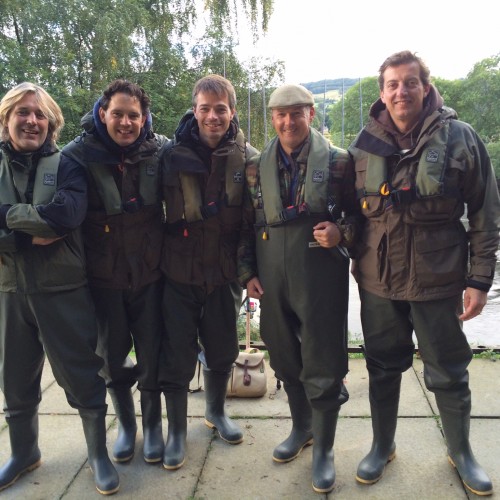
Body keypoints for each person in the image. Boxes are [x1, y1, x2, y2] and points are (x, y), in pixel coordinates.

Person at [348, 50, 500, 496]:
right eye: (392, 84)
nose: (401, 91)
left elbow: (485, 214)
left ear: (425, 87)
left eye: (409, 82)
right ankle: (382, 445)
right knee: (380, 367)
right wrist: (337, 232)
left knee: (449, 371)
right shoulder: (363, 145)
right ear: (382, 92)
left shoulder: (461, 138)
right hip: (378, 283)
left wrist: (479, 280)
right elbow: (349, 214)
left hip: (438, 280)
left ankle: (461, 452)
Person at [238, 84, 362, 493]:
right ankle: (302, 428)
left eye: (296, 113)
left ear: (310, 114)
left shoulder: (342, 163)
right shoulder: (256, 166)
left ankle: (324, 449)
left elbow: (365, 221)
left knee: (323, 358)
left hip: (320, 271)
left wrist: (341, 231)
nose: (288, 121)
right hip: (270, 272)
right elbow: (248, 224)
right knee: (285, 353)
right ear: (272, 118)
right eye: (280, 114)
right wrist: (247, 273)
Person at [0, 82, 119, 495]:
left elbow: (64, 217)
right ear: (6, 119)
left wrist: (4, 219)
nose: (31, 120)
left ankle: (98, 455)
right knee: (14, 378)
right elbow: (43, 224)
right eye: (22, 113)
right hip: (8, 291)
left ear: (51, 122)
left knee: (82, 374)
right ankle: (23, 453)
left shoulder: (66, 165)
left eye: (39, 114)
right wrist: (25, 233)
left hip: (62, 289)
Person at [62, 80, 168, 464]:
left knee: (153, 354)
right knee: (111, 359)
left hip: (151, 275)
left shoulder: (161, 151)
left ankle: (154, 426)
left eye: (133, 116)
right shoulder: (76, 156)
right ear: (103, 112)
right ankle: (127, 425)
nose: (125, 122)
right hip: (103, 280)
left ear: (144, 118)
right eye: (118, 114)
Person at [159, 74, 258, 471]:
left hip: (223, 275)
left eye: (221, 109)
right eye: (205, 108)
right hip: (177, 274)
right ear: (194, 110)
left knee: (222, 350)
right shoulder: (168, 155)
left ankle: (215, 413)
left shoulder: (249, 158)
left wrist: (249, 272)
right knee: (177, 354)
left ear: (232, 111)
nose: (213, 116)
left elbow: (254, 223)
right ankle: (177, 431)